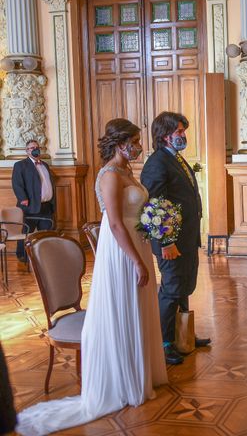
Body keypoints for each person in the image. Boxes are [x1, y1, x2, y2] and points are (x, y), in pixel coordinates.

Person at [16, 119, 167, 435]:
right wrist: (138, 262)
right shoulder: (110, 175)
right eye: (135, 141)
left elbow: (137, 213)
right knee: (126, 307)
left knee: (140, 308)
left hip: (136, 241)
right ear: (120, 143)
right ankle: (124, 381)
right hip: (122, 251)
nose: (139, 146)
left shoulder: (128, 173)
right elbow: (114, 224)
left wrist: (158, 226)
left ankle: (141, 372)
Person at [141, 111, 210, 366]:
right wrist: (166, 242)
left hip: (186, 238)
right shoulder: (157, 162)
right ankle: (165, 343)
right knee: (171, 291)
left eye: (183, 131)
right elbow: (155, 206)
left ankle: (185, 335)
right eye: (179, 131)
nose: (183, 136)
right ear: (165, 135)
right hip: (171, 242)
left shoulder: (175, 158)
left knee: (183, 288)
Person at [11, 140, 55, 263]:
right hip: (29, 206)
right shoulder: (20, 165)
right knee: (26, 232)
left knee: (46, 233)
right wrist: (23, 199)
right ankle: (22, 256)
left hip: (46, 206)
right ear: (27, 151)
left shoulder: (45, 165)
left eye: (36, 147)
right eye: (31, 148)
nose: (35, 149)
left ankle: (44, 257)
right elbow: (17, 184)